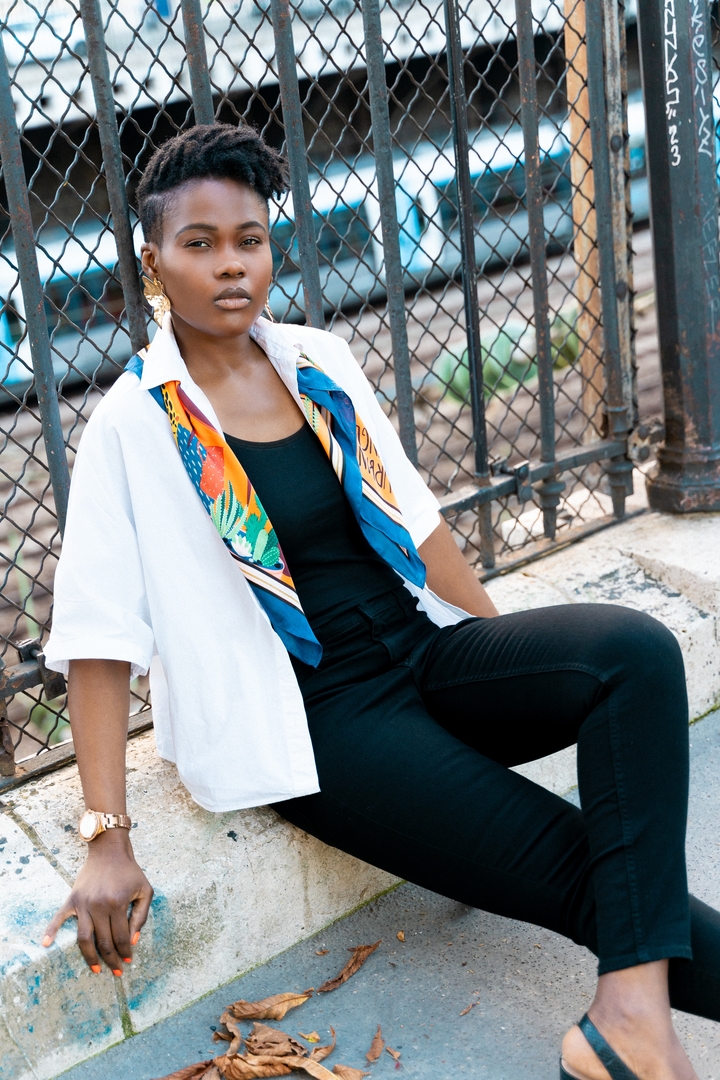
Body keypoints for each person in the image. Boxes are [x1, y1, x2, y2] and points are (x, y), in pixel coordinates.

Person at [41, 124, 719, 1080]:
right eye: (200, 244)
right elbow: (99, 639)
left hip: (420, 650)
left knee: (632, 653)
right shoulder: (133, 424)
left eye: (249, 239)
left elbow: (420, 528)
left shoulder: (314, 360)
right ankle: (631, 1027)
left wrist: (521, 663)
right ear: (155, 264)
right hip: (320, 722)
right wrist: (105, 838)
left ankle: (628, 1011)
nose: (232, 265)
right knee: (576, 864)